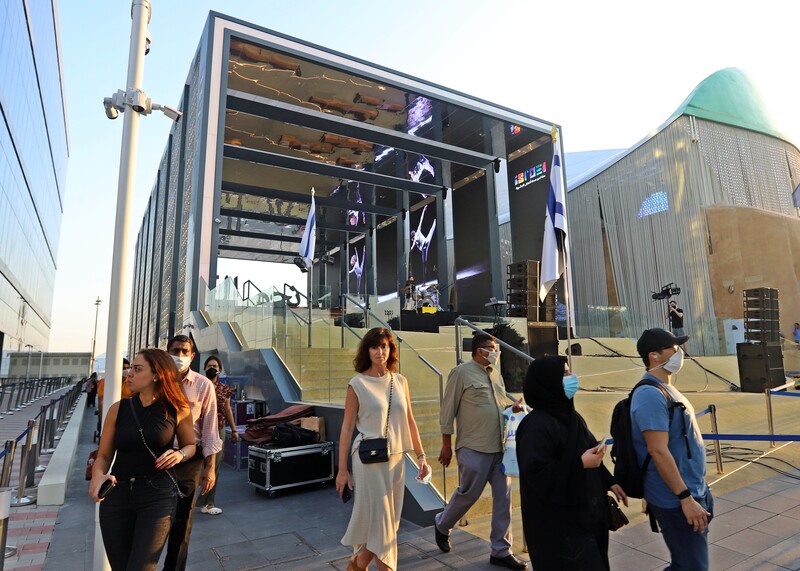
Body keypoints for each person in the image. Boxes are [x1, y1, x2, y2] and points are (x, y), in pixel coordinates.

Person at [516, 356, 627, 570]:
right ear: (548, 383)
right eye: (565, 374)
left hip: (586, 520)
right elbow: (537, 475)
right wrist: (580, 464)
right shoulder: (536, 426)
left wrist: (608, 481)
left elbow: (585, 453)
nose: (571, 378)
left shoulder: (571, 417)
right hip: (558, 529)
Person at [89, 349, 196, 570]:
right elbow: (104, 455)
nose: (129, 374)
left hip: (157, 496)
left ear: (157, 374)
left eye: (137, 369)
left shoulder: (178, 408)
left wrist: (179, 454)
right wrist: (98, 476)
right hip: (116, 496)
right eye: (131, 368)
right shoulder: (118, 409)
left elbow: (191, 446)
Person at [336, 327, 431, 571]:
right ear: (367, 350)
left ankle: (358, 563)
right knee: (384, 524)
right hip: (368, 461)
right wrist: (342, 470)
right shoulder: (356, 384)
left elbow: (410, 420)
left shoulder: (400, 381)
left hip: (397, 459)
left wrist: (421, 456)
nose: (380, 352)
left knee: (389, 523)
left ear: (391, 350)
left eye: (385, 347)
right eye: (375, 347)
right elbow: (346, 429)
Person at [435, 333, 527, 570]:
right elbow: (447, 412)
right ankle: (443, 524)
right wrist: (446, 444)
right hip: (473, 446)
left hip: (499, 446)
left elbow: (496, 406)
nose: (496, 352)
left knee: (503, 499)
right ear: (478, 350)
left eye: (496, 347)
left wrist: (513, 408)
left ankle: (501, 550)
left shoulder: (495, 374)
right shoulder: (460, 373)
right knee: (468, 494)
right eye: (491, 348)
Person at [632, 328, 713, 570]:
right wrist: (685, 498)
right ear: (654, 356)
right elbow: (657, 451)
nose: (680, 353)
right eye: (674, 349)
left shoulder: (665, 388)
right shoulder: (649, 394)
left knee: (689, 563)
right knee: (691, 566)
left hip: (693, 489)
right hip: (676, 497)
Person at [163, 335, 222, 571]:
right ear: (167, 352)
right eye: (175, 350)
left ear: (192, 355)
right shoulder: (158, 382)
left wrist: (211, 467)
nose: (179, 355)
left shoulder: (203, 385)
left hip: (190, 459)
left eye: (184, 351)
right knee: (153, 518)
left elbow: (210, 429)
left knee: (182, 519)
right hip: (158, 457)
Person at [197, 355, 238, 515]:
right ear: (204, 369)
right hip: (199, 430)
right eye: (209, 366)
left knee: (215, 466)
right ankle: (192, 500)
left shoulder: (224, 389)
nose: (212, 368)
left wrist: (234, 430)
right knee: (198, 466)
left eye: (215, 365)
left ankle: (208, 503)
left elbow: (228, 410)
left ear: (219, 370)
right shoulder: (199, 385)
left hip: (218, 429)